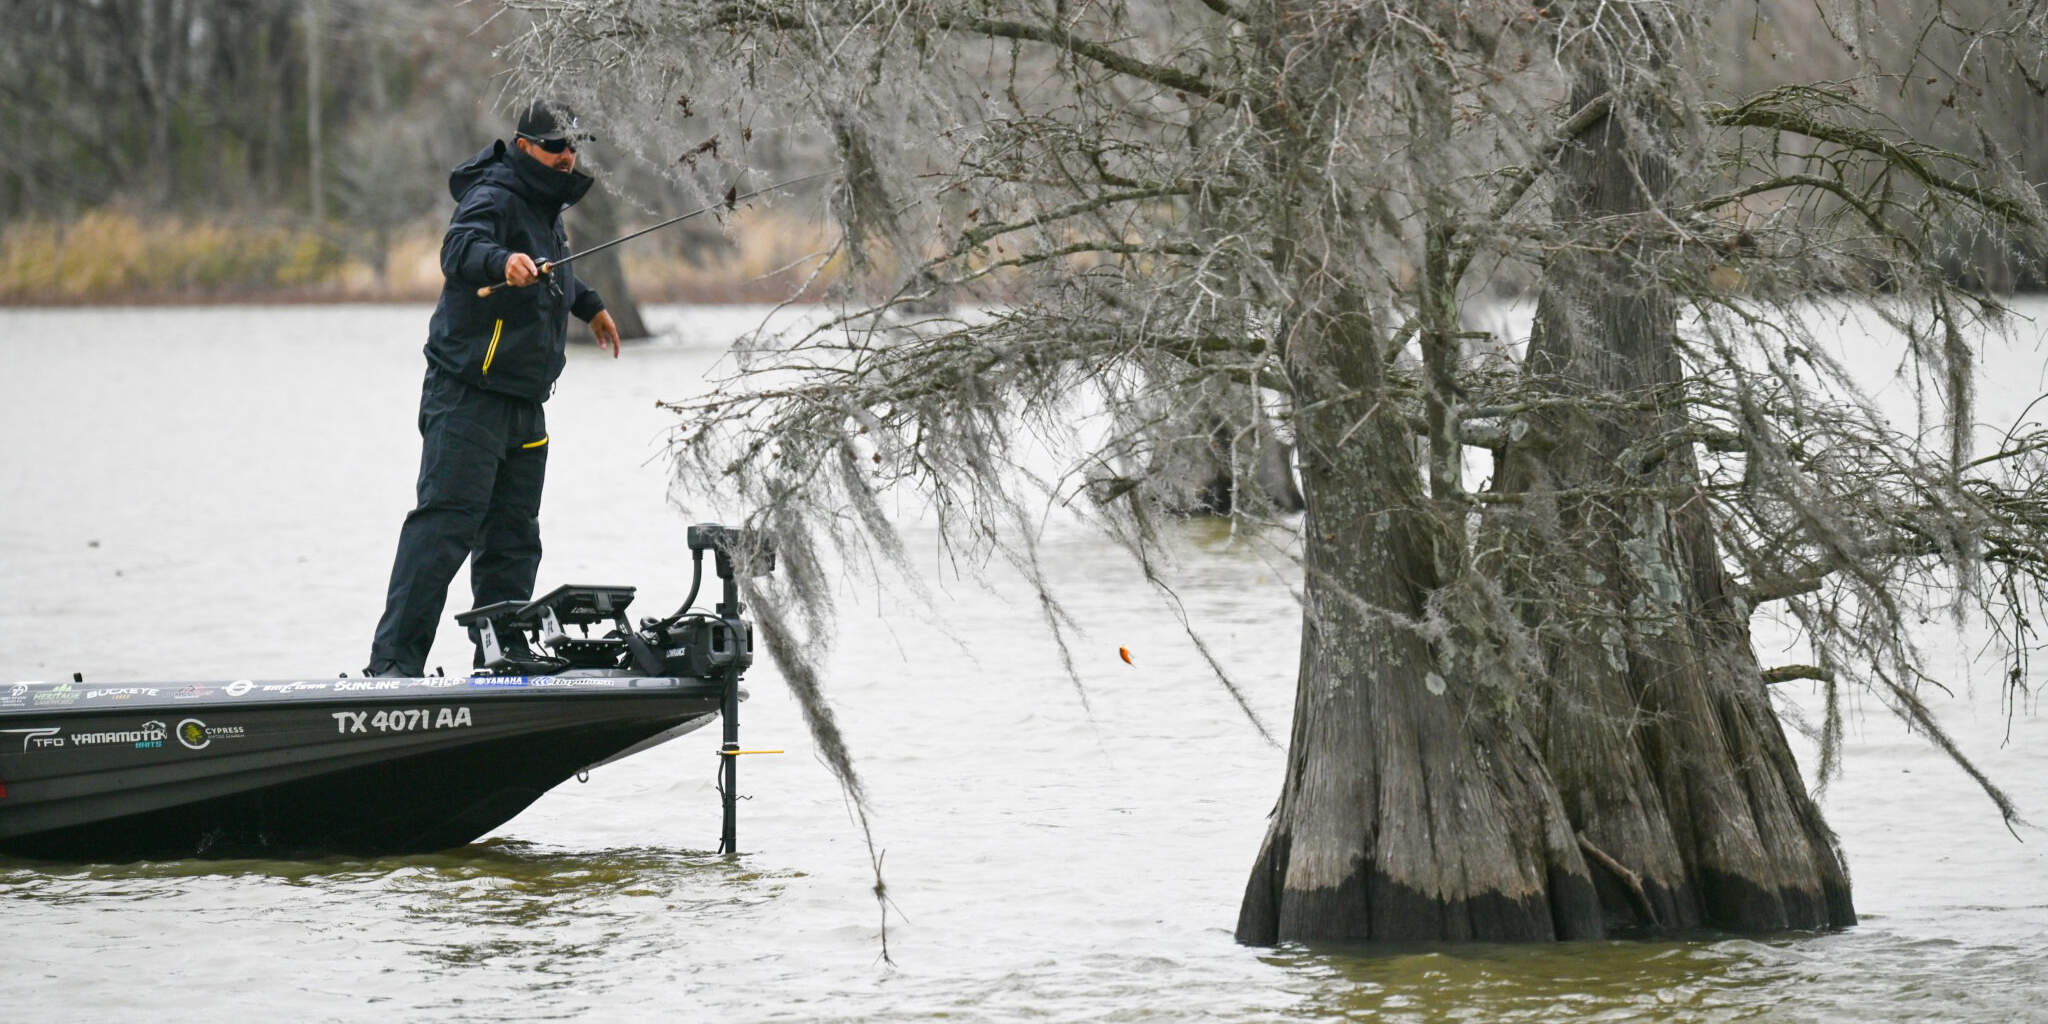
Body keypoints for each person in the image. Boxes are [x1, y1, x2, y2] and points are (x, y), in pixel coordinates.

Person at [365, 100, 622, 677]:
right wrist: (501, 261)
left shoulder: (544, 204)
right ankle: (392, 668)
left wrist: (591, 307)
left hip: (525, 402)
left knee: (513, 537)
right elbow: (458, 250)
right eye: (556, 145)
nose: (568, 155)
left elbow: (556, 270)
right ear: (524, 145)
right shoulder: (494, 194)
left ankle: (502, 653)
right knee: (445, 527)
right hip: (467, 395)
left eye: (573, 145)